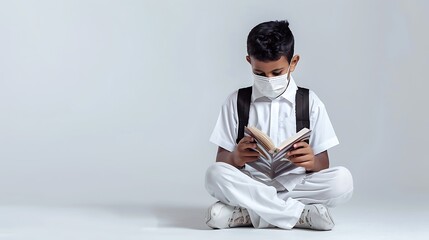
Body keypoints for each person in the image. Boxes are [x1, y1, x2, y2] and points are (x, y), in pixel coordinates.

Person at [204, 20, 353, 230]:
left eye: (276, 73)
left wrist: (311, 161)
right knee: (214, 175)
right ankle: (300, 214)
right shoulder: (236, 101)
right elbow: (221, 159)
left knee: (342, 181)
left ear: (293, 63)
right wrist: (235, 157)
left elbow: (323, 162)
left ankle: (249, 212)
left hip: (294, 186)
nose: (269, 79)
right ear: (249, 61)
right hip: (250, 184)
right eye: (260, 73)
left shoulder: (310, 102)